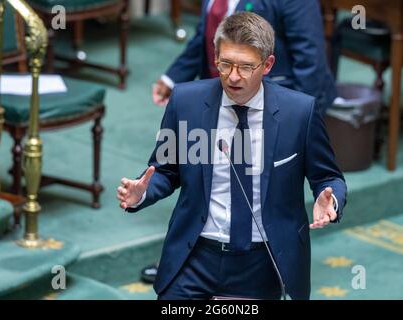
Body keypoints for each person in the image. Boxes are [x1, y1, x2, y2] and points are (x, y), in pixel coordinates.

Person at [118, 12, 347, 300]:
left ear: (267, 65)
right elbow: (165, 171)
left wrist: (330, 198)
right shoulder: (185, 102)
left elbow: (328, 176)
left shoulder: (298, 113)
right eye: (225, 64)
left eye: (245, 67)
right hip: (196, 256)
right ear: (215, 59)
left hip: (261, 262)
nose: (233, 76)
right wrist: (142, 192)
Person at [152, 0, 336, 114]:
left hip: (272, 98)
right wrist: (172, 78)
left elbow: (310, 58)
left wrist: (298, 116)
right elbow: (206, 35)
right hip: (220, 94)